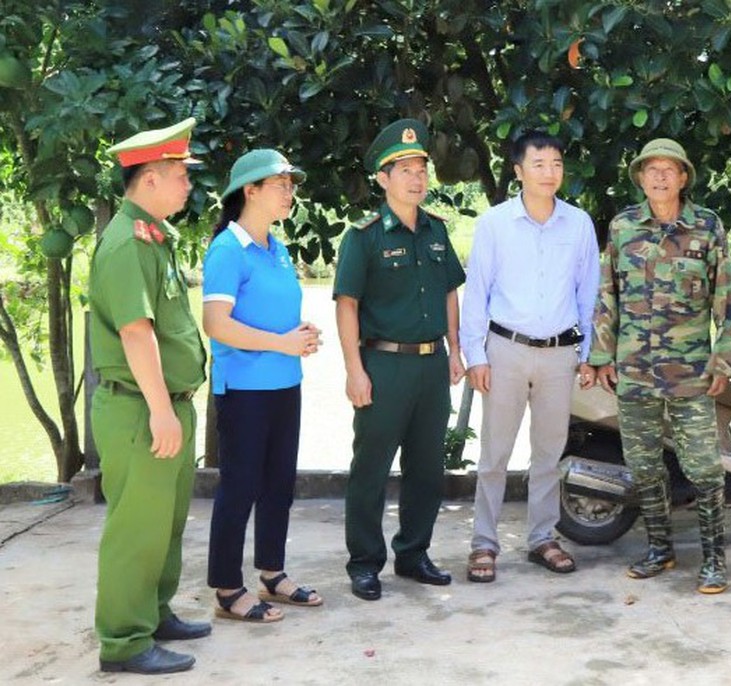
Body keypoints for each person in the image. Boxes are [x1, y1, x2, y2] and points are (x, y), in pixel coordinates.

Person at [590, 138, 731, 595]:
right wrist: (601, 356)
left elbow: (726, 300)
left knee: (704, 467)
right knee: (644, 465)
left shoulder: (706, 227)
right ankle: (660, 549)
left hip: (691, 372)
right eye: (650, 169)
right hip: (634, 370)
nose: (659, 177)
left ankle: (714, 559)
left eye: (668, 170)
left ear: (683, 177)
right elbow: (607, 295)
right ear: (640, 178)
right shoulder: (623, 227)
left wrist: (724, 360)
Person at [89, 118, 209, 674]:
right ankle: (124, 641)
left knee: (165, 523)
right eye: (181, 175)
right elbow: (137, 334)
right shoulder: (126, 244)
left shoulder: (155, 237)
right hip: (140, 409)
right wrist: (163, 411)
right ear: (151, 179)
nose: (188, 185)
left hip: (163, 407)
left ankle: (155, 613)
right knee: (138, 528)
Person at [334, 119, 466, 601]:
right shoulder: (364, 237)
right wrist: (354, 370)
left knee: (427, 468)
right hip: (383, 365)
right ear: (383, 178)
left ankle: (414, 553)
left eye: (421, 169)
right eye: (404, 169)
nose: (416, 178)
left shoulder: (435, 231)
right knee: (370, 467)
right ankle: (365, 563)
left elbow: (451, 289)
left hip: (432, 365)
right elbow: (346, 304)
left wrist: (456, 349)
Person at [460, 131, 600, 583]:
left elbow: (589, 292)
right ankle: (484, 542)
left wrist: (589, 353)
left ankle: (543, 537)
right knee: (494, 454)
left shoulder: (578, 224)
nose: (549, 172)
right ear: (518, 171)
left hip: (559, 354)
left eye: (556, 163)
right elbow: (476, 292)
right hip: (505, 351)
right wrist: (475, 356)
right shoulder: (495, 224)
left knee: (548, 452)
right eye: (538, 164)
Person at [203, 149, 323, 623]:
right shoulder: (227, 250)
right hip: (245, 390)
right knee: (240, 485)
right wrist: (280, 342)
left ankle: (272, 573)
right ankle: (227, 588)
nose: (289, 192)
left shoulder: (278, 248)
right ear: (249, 191)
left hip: (283, 383)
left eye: (291, 184)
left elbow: (274, 317)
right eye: (280, 184)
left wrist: (300, 335)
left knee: (278, 485)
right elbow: (217, 323)